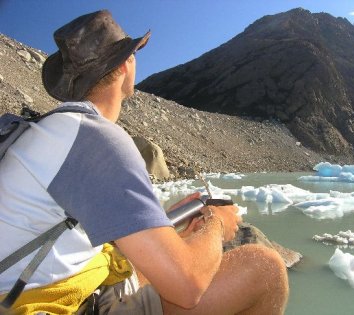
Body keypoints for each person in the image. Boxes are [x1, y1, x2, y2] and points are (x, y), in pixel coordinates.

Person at [0, 10, 289, 315]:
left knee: (157, 260)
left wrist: (173, 221)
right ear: (127, 63)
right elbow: (188, 286)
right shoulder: (95, 139)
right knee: (266, 270)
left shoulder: (53, 130)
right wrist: (217, 223)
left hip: (53, 285)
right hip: (40, 305)